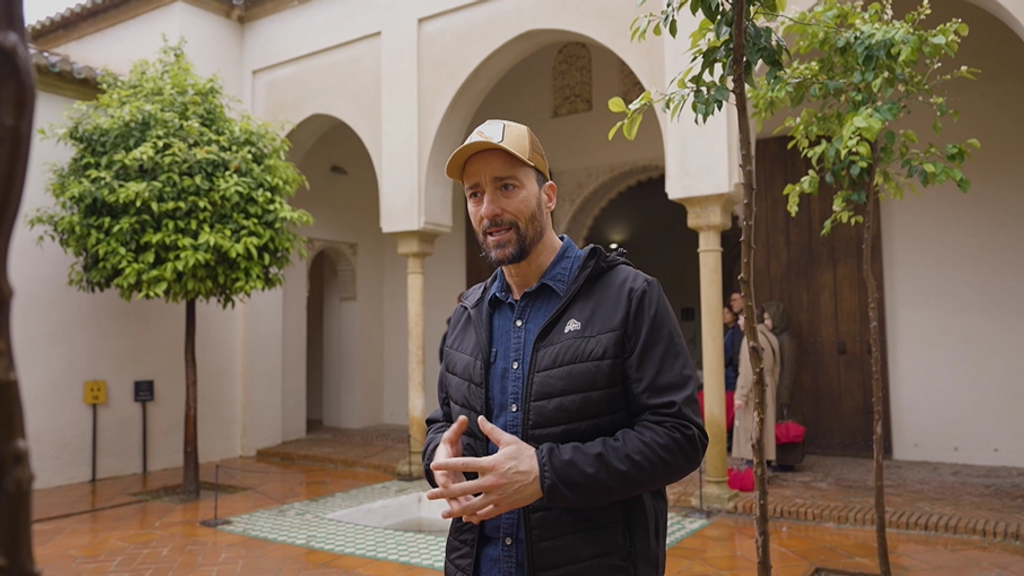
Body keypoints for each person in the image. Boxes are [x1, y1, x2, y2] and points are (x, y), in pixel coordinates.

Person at [422, 119, 708, 576]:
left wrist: (545, 473)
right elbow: (442, 420)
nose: (489, 208)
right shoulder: (468, 315)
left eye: (507, 186)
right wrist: (438, 456)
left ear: (548, 195)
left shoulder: (629, 297)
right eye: (475, 194)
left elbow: (680, 437)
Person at [731, 309, 781, 464]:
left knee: (750, 429)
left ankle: (751, 467)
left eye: (740, 319)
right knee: (764, 428)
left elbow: (747, 371)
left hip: (754, 390)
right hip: (769, 385)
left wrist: (741, 396)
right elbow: (777, 367)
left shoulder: (750, 340)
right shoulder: (771, 337)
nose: (738, 322)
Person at [763, 301, 802, 470]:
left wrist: (784, 395)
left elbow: (789, 369)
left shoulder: (786, 340)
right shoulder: (777, 337)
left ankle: (788, 462)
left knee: (786, 424)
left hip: (786, 392)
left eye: (768, 319)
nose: (766, 323)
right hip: (779, 389)